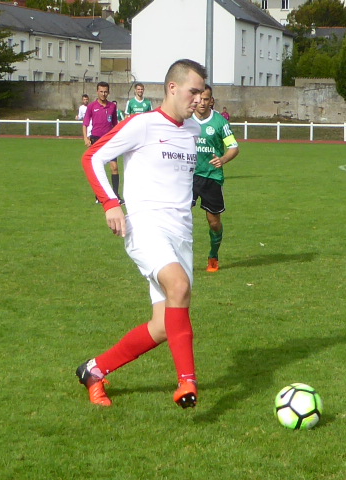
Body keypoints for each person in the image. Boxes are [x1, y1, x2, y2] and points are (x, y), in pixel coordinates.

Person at [78, 59, 207, 409]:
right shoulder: (143, 124)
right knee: (178, 285)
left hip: (182, 234)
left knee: (164, 326)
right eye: (194, 91)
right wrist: (110, 203)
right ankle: (187, 381)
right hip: (147, 226)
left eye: (202, 93)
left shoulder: (193, 130)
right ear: (172, 88)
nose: (199, 99)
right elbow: (92, 157)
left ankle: (94, 370)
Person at [192, 85, 239, 272]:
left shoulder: (220, 122)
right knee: (180, 219)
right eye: (199, 99)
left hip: (212, 177)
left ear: (211, 100)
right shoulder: (186, 119)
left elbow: (233, 147)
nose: (202, 103)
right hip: (189, 176)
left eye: (206, 99)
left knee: (214, 222)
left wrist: (223, 159)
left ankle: (213, 255)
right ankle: (179, 259)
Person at [82, 82, 122, 202]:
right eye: (101, 91)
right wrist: (86, 138)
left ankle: (115, 195)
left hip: (109, 140)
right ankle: (100, 195)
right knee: (98, 169)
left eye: (105, 92)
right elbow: (85, 123)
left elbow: (115, 124)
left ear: (108, 92)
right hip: (96, 140)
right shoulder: (92, 106)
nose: (103, 94)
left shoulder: (112, 106)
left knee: (114, 167)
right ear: (97, 92)